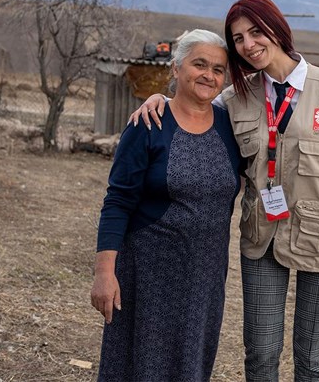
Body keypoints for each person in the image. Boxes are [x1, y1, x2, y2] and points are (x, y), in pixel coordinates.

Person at [132, 0, 319, 381]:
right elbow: (194, 103)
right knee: (260, 353)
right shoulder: (235, 98)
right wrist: (160, 97)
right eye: (239, 38)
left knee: (311, 359)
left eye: (256, 32)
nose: (248, 45)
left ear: (277, 28)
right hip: (263, 236)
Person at [91, 29, 241, 381]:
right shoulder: (148, 123)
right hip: (148, 273)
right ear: (176, 68)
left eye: (218, 69)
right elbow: (117, 200)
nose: (209, 74)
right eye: (199, 64)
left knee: (191, 364)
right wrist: (103, 273)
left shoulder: (229, 126)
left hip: (205, 276)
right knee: (138, 365)